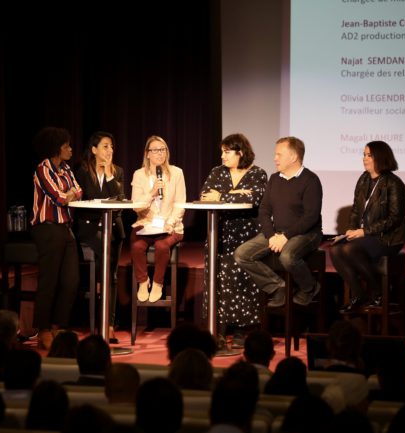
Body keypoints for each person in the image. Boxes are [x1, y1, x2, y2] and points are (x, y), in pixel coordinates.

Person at [234, 136, 323, 309]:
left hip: (306, 233)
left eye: (279, 154)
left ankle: (310, 288)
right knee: (241, 254)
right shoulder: (275, 179)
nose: (275, 158)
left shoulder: (310, 180)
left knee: (287, 257)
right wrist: (271, 235)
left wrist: (285, 236)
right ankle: (278, 287)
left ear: (293, 157)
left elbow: (310, 217)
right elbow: (264, 210)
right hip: (277, 232)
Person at [199, 133, 267, 348]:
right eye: (222, 152)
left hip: (247, 236)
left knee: (242, 281)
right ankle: (218, 329)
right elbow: (205, 195)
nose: (222, 156)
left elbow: (254, 197)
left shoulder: (258, 173)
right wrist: (236, 192)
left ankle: (242, 330)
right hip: (219, 233)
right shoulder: (217, 172)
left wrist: (223, 195)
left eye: (227, 152)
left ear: (241, 152)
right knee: (217, 279)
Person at [332, 140, 405, 312]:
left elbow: (395, 218)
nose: (364, 158)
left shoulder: (394, 183)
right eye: (364, 155)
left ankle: (378, 292)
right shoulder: (364, 179)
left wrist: (365, 231)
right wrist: (351, 229)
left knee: (349, 249)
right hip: (367, 235)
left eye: (369, 155)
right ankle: (359, 295)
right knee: (336, 249)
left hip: (389, 238)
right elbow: (355, 210)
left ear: (380, 157)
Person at [31, 126, 82, 350]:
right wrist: (69, 195)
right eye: (66, 146)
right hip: (47, 228)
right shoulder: (43, 169)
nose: (70, 149)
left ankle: (57, 326)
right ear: (56, 148)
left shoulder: (67, 169)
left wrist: (70, 194)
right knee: (49, 280)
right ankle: (42, 329)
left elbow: (79, 191)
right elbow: (59, 198)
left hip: (65, 227)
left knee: (71, 281)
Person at [74, 131, 125, 343]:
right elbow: (88, 198)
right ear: (94, 149)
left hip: (113, 227)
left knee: (111, 275)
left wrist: (109, 175)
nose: (110, 150)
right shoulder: (83, 171)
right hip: (90, 227)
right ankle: (98, 285)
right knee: (106, 267)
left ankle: (109, 325)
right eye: (105, 146)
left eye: (111, 146)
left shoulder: (118, 172)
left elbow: (119, 200)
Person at [131, 135, 186, 304]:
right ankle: (142, 281)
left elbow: (180, 203)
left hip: (170, 225)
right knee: (136, 246)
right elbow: (136, 206)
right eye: (155, 150)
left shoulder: (176, 173)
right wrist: (152, 193)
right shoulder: (139, 174)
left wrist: (170, 222)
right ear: (147, 154)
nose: (160, 153)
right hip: (146, 224)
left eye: (163, 150)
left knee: (162, 246)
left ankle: (157, 283)